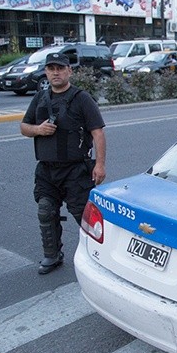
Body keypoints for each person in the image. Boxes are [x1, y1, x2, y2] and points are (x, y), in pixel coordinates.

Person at [20, 52, 107, 274]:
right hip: (47, 169)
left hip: (75, 170)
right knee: (46, 210)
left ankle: (104, 256)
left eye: (60, 68)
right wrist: (38, 129)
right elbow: (24, 127)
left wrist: (100, 165)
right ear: (46, 72)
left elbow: (97, 133)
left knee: (84, 216)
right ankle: (52, 255)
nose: (55, 73)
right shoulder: (40, 98)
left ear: (69, 71)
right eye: (51, 69)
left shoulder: (82, 98)